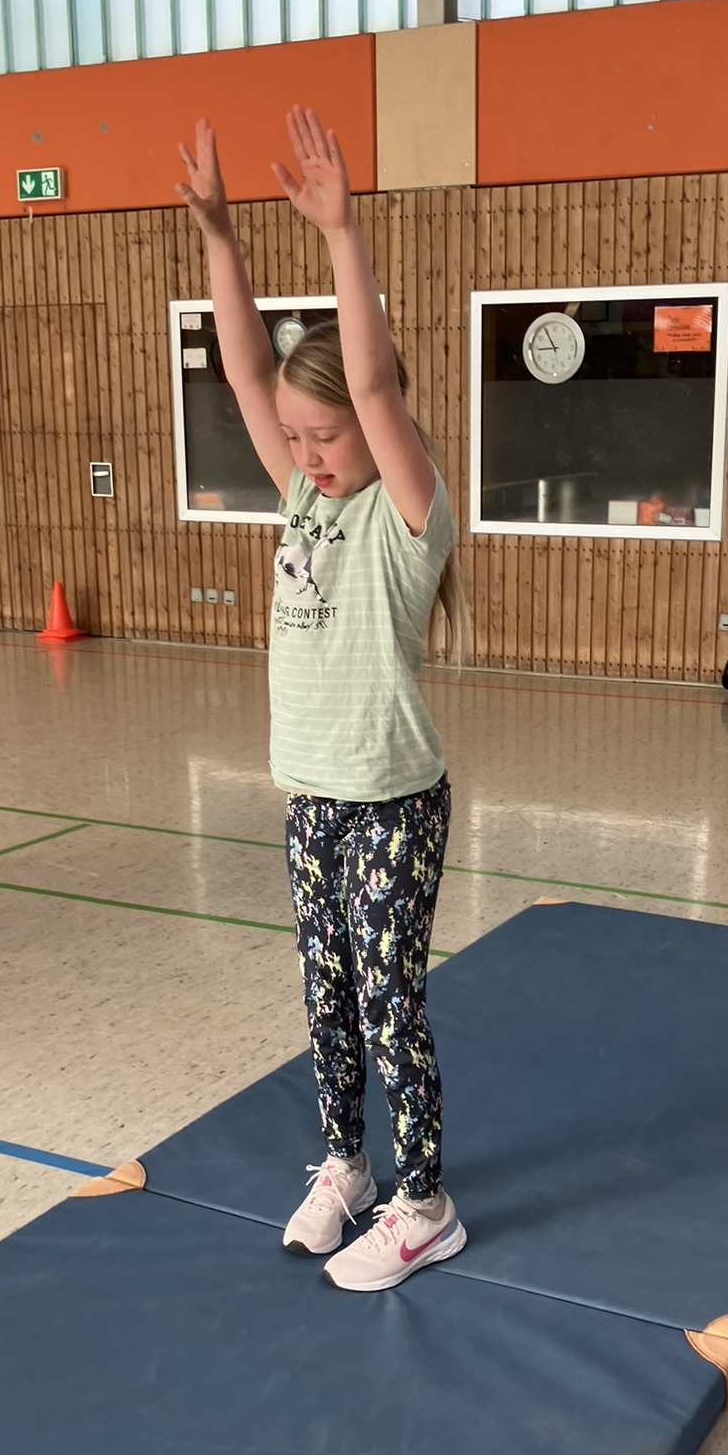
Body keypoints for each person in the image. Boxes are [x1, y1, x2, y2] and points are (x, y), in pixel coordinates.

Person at [176, 107, 467, 1295]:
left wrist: (343, 236)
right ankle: (346, 1161)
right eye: (294, 438)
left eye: (326, 433)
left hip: (393, 798)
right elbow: (248, 369)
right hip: (312, 797)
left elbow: (376, 382)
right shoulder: (303, 493)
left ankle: (426, 1201)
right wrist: (222, 236)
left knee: (391, 999)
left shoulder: (405, 508)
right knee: (329, 992)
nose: (305, 452)